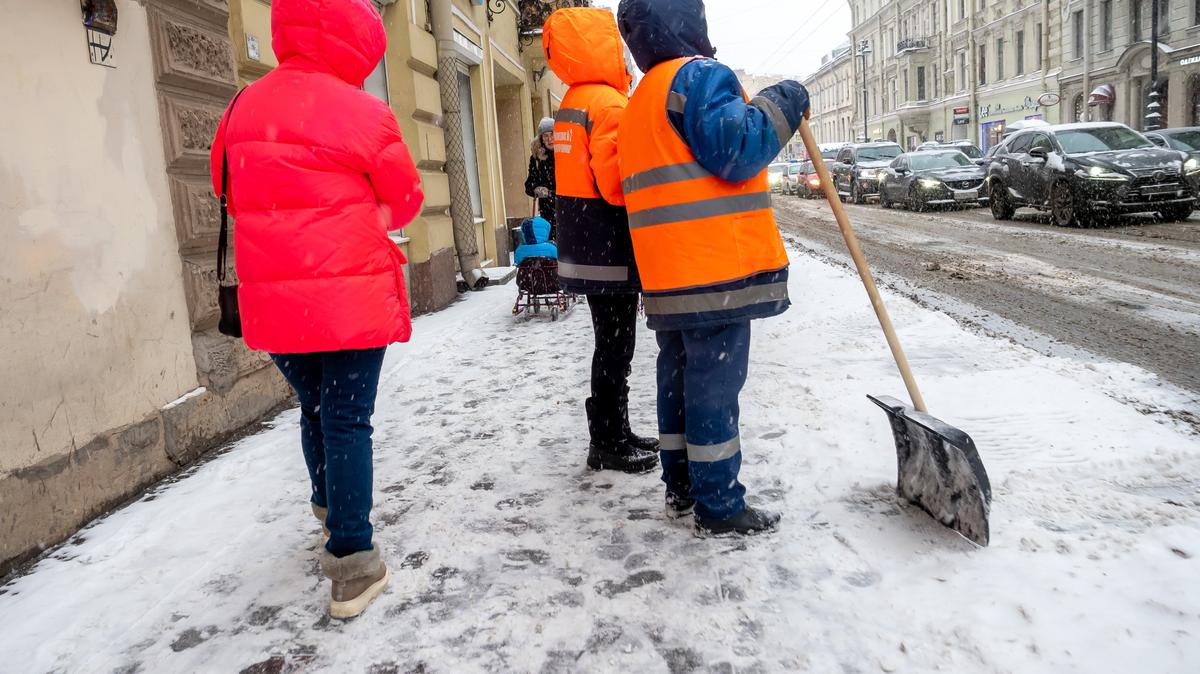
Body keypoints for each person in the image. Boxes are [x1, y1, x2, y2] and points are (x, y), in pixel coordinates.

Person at [210, 0, 423, 618]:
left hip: (277, 305)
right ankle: (353, 564)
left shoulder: (240, 107)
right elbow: (406, 198)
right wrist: (365, 212)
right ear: (355, 40)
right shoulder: (364, 112)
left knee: (317, 406)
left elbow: (224, 185)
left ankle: (330, 508)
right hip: (350, 296)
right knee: (348, 417)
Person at [616, 0, 810, 535]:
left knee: (677, 381)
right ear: (688, 22)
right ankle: (719, 504)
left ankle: (681, 488)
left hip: (667, 276)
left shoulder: (641, 100)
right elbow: (739, 148)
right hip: (714, 272)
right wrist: (785, 100)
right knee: (713, 389)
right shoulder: (698, 77)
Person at [543, 7, 659, 474]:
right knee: (617, 348)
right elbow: (614, 184)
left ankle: (615, 430)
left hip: (582, 242)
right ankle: (608, 441)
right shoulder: (608, 104)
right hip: (609, 244)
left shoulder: (572, 100)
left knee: (608, 344)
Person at [525, 117, 557, 239]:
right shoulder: (537, 159)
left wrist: (552, 193)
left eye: (552, 134)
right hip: (547, 214)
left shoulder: (566, 154)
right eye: (545, 136)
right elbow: (529, 184)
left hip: (567, 209)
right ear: (541, 139)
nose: (549, 139)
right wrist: (536, 189)